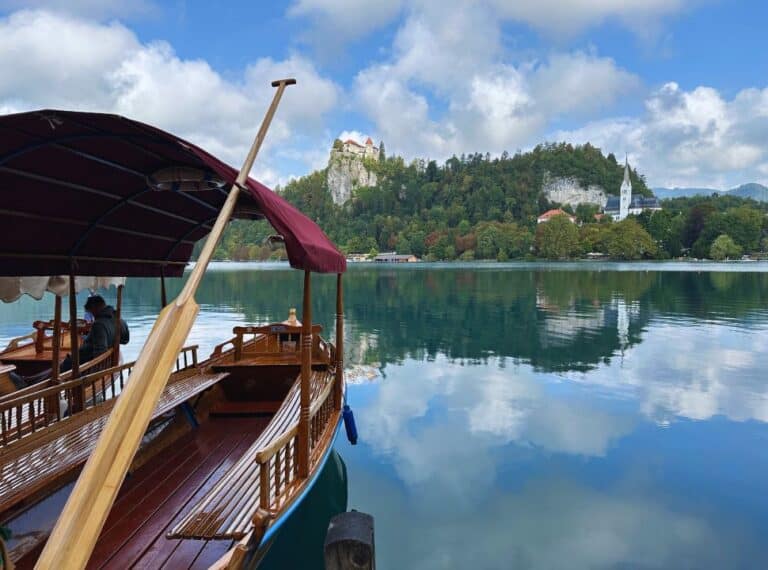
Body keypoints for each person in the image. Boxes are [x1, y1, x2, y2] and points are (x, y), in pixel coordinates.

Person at [10, 294, 129, 388]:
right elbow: (125, 339)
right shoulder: (119, 319)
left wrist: (91, 376)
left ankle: (28, 384)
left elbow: (100, 353)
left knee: (59, 369)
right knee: (59, 366)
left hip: (82, 363)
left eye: (91, 312)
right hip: (86, 359)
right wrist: (104, 339)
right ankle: (29, 380)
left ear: (96, 308)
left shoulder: (99, 325)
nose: (92, 315)